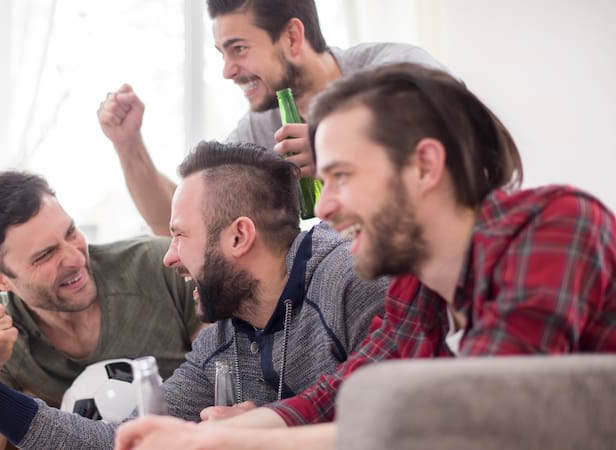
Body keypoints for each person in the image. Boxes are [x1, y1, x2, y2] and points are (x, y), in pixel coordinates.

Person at [112, 63, 616, 450]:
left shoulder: (557, 223)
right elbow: (338, 397)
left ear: (423, 165)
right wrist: (210, 438)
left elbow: (472, 417)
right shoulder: (415, 288)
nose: (325, 205)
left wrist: (242, 439)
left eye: (342, 176)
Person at [0, 141, 389, 449]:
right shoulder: (223, 344)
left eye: (179, 235)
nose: (167, 258)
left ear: (238, 237)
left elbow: (402, 421)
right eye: (46, 254)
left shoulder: (350, 277)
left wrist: (257, 430)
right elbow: (121, 441)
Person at [97, 0, 447, 235]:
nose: (227, 71)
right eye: (222, 53)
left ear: (293, 37)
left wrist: (340, 148)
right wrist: (129, 146)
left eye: (239, 49)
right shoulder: (259, 130)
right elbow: (178, 222)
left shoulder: (395, 67)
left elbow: (460, 138)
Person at [0, 171, 203, 450]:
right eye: (45, 255)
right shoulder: (1, 340)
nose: (76, 258)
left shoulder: (163, 268)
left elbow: (225, 379)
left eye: (70, 233)